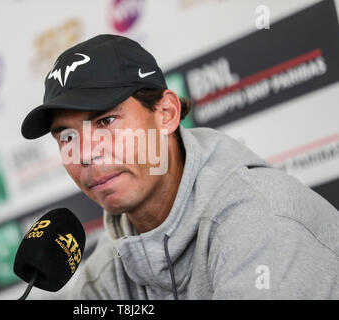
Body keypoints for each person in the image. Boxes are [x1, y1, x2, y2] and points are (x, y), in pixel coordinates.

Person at [21, 34, 339, 299]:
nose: (86, 153)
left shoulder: (263, 223)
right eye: (67, 136)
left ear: (166, 114)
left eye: (106, 121)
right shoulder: (102, 280)